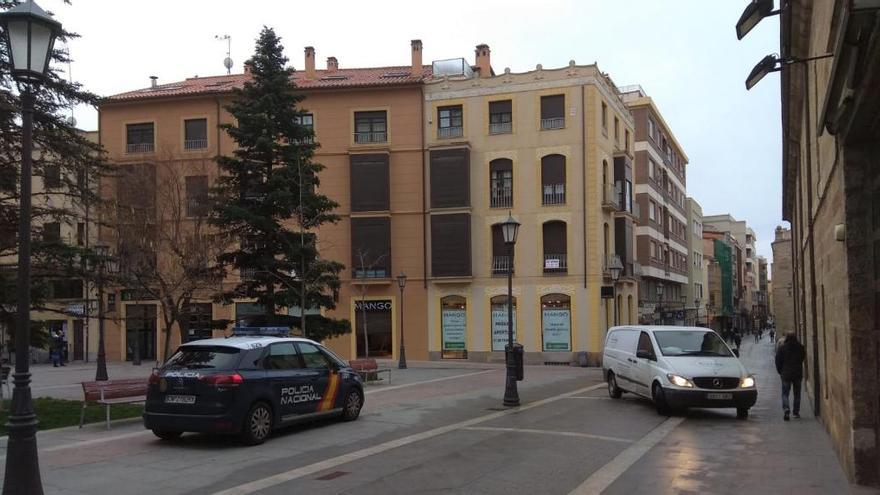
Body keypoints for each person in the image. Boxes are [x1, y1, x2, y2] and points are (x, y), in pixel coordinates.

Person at [775, 332, 806, 421]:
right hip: (797, 373)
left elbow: (778, 360)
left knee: (785, 393)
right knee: (797, 394)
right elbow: (802, 357)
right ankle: (796, 412)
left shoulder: (782, 348)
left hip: (786, 373)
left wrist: (780, 371)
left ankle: (786, 409)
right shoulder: (800, 347)